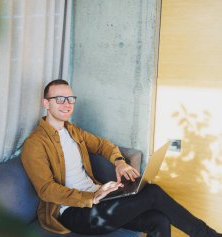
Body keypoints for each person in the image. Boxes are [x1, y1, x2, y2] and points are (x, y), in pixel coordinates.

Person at [21, 79, 221, 237]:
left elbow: (103, 145)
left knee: (159, 220)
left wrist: (119, 162)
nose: (67, 104)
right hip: (75, 213)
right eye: (60, 99)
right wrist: (91, 197)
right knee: (152, 192)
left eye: (70, 99)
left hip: (98, 198)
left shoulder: (73, 132)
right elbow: (46, 190)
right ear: (46, 103)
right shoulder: (35, 144)